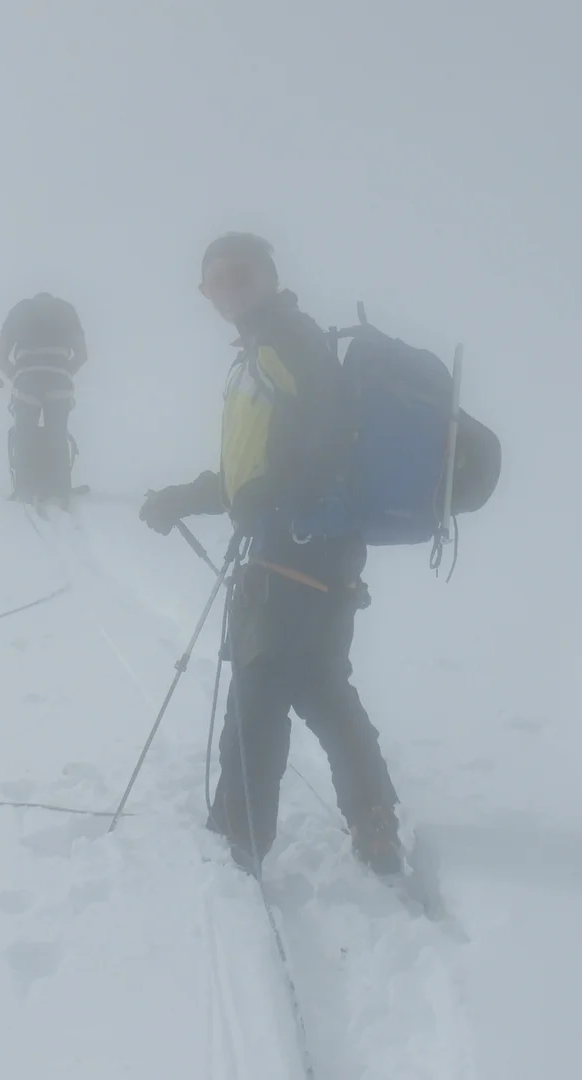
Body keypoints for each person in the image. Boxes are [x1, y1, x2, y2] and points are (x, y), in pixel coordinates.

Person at [138, 233, 405, 877]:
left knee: (259, 692)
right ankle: (374, 823)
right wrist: (186, 497)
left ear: (268, 276)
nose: (230, 289)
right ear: (205, 293)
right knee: (319, 687)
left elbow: (327, 434)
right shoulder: (264, 350)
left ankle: (239, 836)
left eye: (242, 274)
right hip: (315, 550)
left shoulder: (288, 342)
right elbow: (247, 473)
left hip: (295, 549)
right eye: (217, 281)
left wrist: (276, 494)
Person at [0, 292, 88, 503]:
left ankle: (26, 488)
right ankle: (60, 488)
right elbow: (82, 354)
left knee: (25, 432)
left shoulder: (19, 310)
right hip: (59, 379)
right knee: (57, 433)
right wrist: (64, 372)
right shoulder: (66, 310)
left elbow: (0, 355)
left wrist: (15, 376)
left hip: (27, 379)